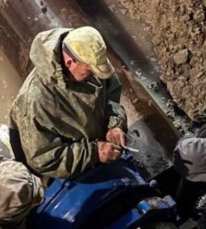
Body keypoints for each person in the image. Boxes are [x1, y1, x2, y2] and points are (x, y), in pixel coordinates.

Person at [9, 26, 129, 180]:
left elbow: (111, 97)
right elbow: (43, 158)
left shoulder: (89, 54)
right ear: (70, 62)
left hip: (98, 149)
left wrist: (115, 125)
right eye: (90, 72)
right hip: (68, 173)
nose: (95, 76)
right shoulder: (35, 101)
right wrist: (92, 153)